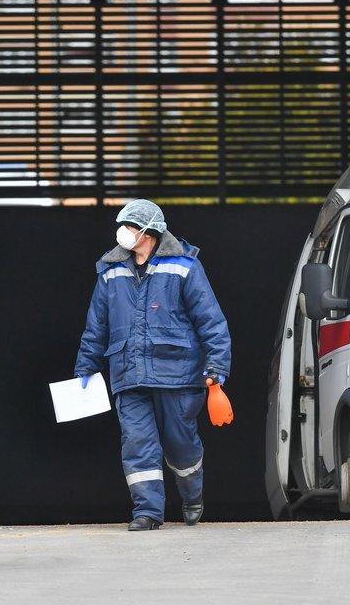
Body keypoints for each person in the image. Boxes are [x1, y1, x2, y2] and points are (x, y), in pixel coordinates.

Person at [75, 199, 231, 531]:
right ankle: (147, 512)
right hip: (128, 373)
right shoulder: (110, 271)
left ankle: (192, 496)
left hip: (178, 373)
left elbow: (211, 322)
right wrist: (84, 369)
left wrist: (216, 370)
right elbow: (96, 326)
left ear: (149, 232)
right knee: (137, 442)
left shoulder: (184, 266)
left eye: (130, 226)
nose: (123, 232)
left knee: (180, 443)